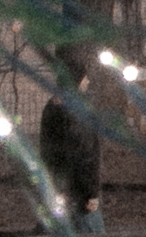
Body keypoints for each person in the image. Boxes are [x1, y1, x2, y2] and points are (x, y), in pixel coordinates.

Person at [38, 77, 106, 226]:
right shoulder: (78, 110)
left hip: (58, 191)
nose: (88, 81)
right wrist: (90, 193)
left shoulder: (53, 105)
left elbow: (49, 152)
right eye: (84, 78)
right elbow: (84, 154)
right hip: (79, 198)